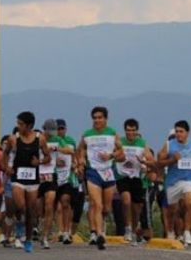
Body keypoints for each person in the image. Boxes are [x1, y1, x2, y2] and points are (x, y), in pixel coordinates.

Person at [0, 112, 54, 253]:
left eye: (21, 124)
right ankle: (19, 224)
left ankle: (28, 239)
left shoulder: (40, 139)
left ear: (29, 125)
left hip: (33, 179)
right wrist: (6, 168)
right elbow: (4, 155)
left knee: (30, 211)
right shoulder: (13, 139)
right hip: (17, 178)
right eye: (17, 123)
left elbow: (48, 157)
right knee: (21, 205)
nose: (18, 127)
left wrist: (40, 161)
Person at [76, 107, 125, 250]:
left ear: (105, 119)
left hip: (108, 172)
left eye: (100, 117)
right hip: (93, 172)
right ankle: (99, 235)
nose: (97, 120)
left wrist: (111, 156)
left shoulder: (112, 134)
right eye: (95, 118)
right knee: (97, 204)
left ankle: (101, 228)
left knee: (106, 208)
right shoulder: (87, 134)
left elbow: (121, 152)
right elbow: (80, 149)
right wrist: (81, 161)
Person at [155, 120, 191, 247]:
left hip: (189, 179)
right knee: (172, 211)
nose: (178, 134)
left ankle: (186, 232)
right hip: (173, 182)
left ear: (187, 133)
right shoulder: (169, 145)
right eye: (176, 131)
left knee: (190, 202)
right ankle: (170, 232)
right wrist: (171, 160)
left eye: (181, 132)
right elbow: (159, 163)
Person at [115, 119, 154, 244]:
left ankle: (133, 230)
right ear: (125, 130)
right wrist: (118, 157)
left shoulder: (142, 143)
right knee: (126, 200)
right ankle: (127, 228)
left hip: (137, 178)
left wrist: (144, 162)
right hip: (122, 176)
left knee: (137, 208)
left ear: (137, 131)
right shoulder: (120, 142)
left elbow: (151, 159)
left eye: (133, 130)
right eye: (128, 130)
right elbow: (113, 154)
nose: (130, 133)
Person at [53, 119, 78, 245]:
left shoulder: (71, 141)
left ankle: (67, 232)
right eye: (58, 129)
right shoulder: (52, 142)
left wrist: (75, 164)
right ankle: (60, 231)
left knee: (66, 203)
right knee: (57, 207)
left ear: (66, 129)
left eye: (62, 128)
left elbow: (75, 155)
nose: (60, 131)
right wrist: (55, 162)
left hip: (68, 177)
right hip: (54, 176)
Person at [39, 119, 61, 249]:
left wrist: (56, 148)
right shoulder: (38, 139)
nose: (51, 133)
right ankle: (38, 223)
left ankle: (45, 236)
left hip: (51, 175)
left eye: (53, 130)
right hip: (37, 176)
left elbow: (69, 150)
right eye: (49, 130)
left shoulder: (57, 139)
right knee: (34, 207)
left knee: (49, 204)